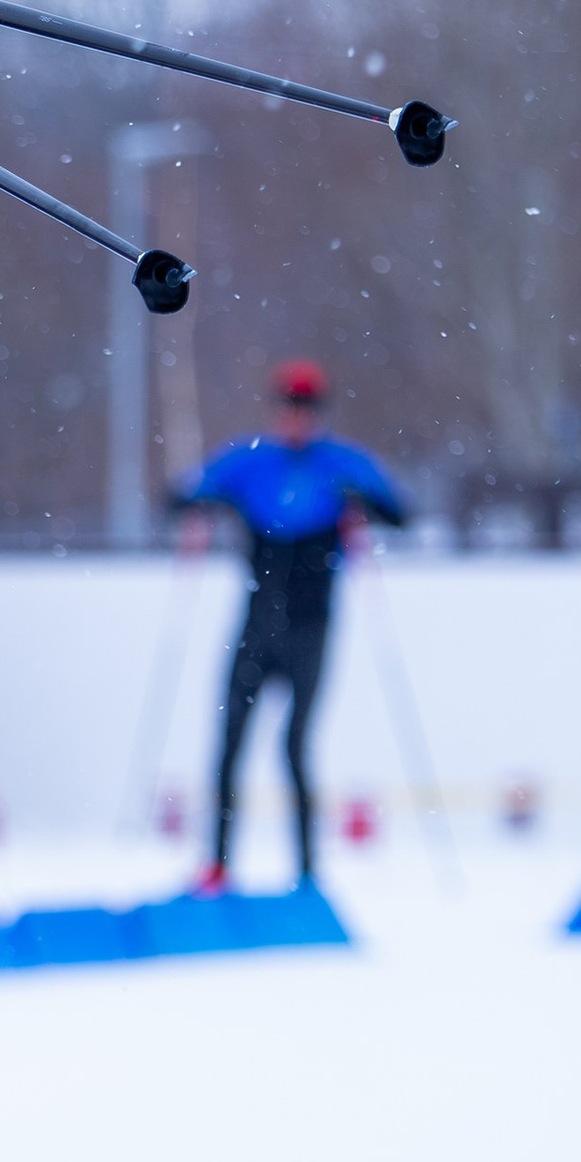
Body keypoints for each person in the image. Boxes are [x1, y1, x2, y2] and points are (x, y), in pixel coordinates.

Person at [170, 360, 408, 890]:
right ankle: (218, 865)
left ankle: (305, 873)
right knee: (230, 739)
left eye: (306, 408)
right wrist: (202, 502)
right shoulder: (249, 461)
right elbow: (183, 494)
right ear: (276, 409)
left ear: (319, 413)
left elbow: (400, 510)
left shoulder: (341, 464)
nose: (296, 418)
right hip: (257, 623)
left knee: (294, 745)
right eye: (288, 407)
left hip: (310, 626)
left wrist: (364, 500)